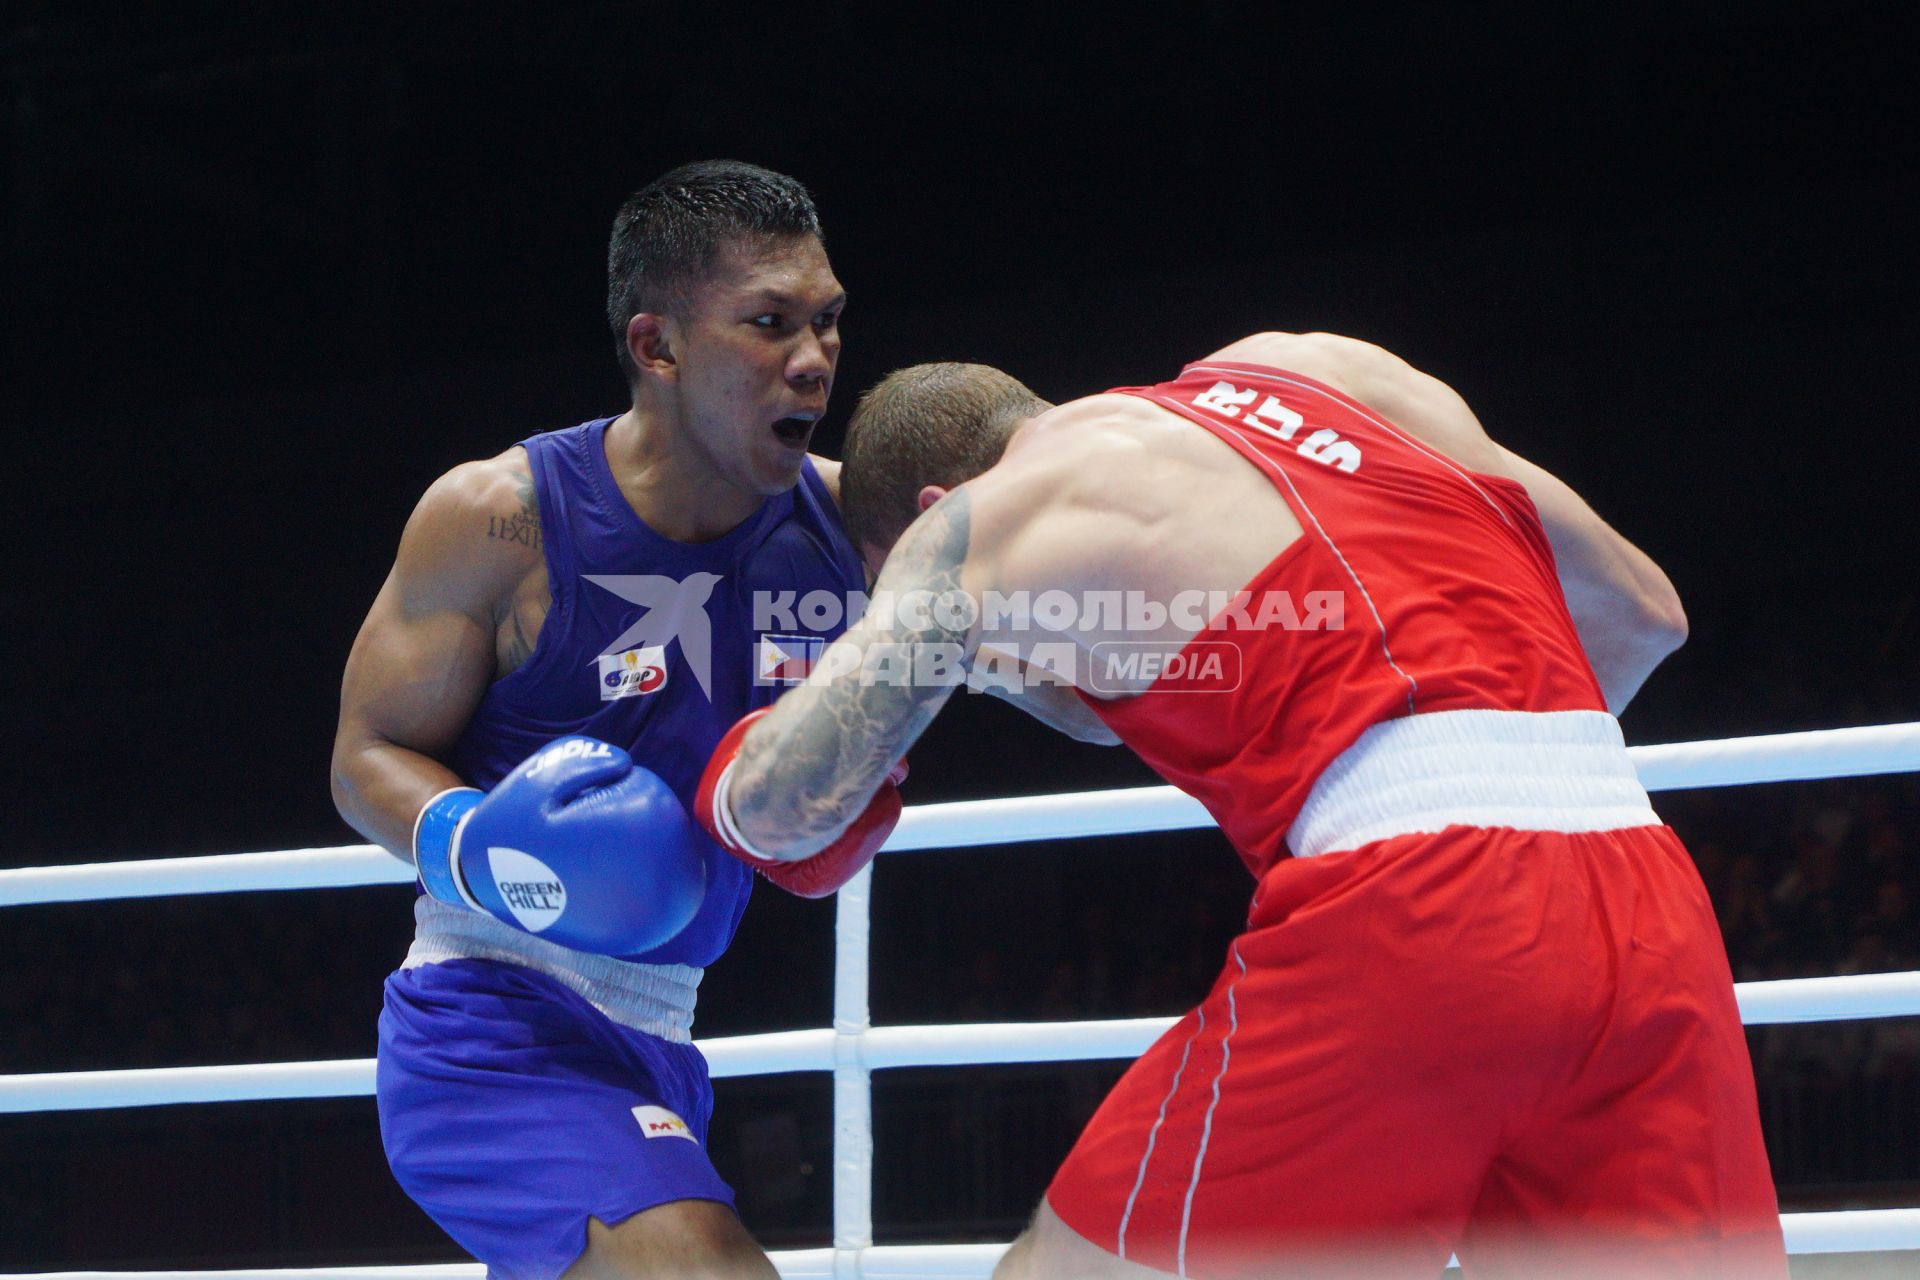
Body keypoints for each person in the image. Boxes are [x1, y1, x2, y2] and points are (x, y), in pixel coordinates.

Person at [691, 333, 1790, 1277]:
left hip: (1417, 908)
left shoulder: (983, 521)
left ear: (933, 505)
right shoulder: (1319, 366)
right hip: (1647, 897)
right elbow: (1646, 613)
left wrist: (734, 785)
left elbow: (790, 804)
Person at [330, 160, 865, 1280]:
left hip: (662, 1037)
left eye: (825, 321)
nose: (812, 358)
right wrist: (484, 848)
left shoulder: (850, 531)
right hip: (489, 1024)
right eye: (768, 323)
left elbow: (1054, 664)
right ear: (656, 347)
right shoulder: (504, 519)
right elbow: (365, 755)